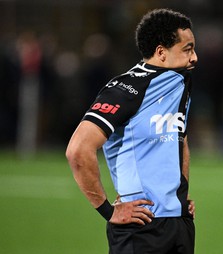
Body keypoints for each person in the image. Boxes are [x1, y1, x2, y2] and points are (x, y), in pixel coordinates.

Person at [66, 8, 198, 254]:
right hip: (141, 226)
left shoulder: (180, 83)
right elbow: (78, 149)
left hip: (179, 225)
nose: (195, 58)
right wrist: (109, 210)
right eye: (187, 49)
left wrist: (178, 196)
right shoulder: (126, 89)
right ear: (161, 52)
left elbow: (180, 138)